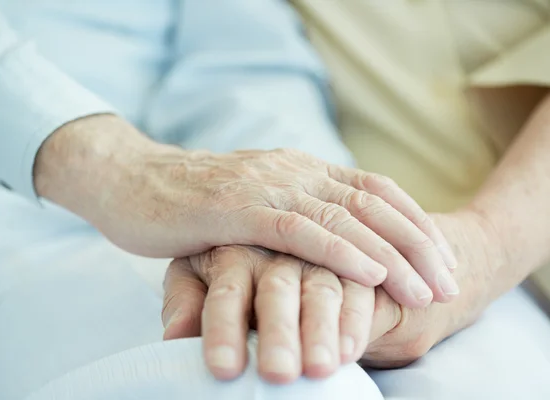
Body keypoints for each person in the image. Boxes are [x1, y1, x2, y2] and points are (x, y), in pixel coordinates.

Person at [165, 0, 550, 398]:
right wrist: (276, 212)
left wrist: (488, 244)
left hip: (467, 262)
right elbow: (247, 62)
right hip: (375, 263)